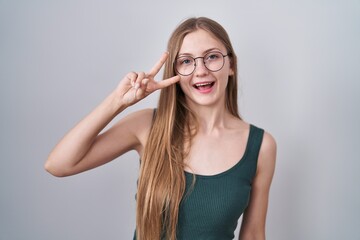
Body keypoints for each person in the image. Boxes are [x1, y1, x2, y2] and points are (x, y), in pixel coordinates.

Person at [45, 17, 276, 240]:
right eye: (186, 61)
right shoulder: (147, 126)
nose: (200, 70)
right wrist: (118, 101)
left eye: (212, 57)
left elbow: (253, 234)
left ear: (231, 65)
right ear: (175, 72)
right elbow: (59, 164)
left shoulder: (261, 145)